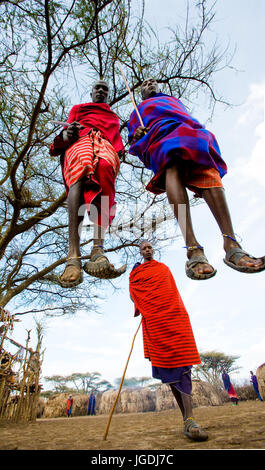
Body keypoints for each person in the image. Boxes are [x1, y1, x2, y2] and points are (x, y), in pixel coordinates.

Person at [127, 78, 265, 280]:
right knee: (170, 165)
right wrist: (137, 133)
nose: (150, 85)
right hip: (158, 134)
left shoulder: (172, 101)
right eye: (145, 84)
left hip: (187, 130)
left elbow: (183, 115)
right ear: (140, 93)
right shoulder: (138, 110)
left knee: (207, 168)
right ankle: (193, 247)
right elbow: (133, 137)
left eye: (153, 82)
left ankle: (231, 243)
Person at [129, 240, 208, 442]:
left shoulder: (163, 268)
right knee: (170, 372)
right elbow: (134, 294)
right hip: (155, 323)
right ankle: (188, 419)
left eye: (149, 247)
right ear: (140, 252)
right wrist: (146, 304)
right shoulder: (136, 273)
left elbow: (171, 293)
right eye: (144, 248)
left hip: (175, 319)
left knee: (184, 367)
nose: (147, 250)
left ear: (153, 250)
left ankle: (189, 418)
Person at [49, 80, 126, 287]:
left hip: (105, 146)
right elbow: (66, 133)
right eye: (97, 88)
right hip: (80, 142)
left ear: (108, 94)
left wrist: (120, 152)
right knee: (82, 165)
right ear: (91, 92)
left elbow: (118, 146)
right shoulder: (78, 109)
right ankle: (72, 255)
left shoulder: (112, 117)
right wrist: (67, 134)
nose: (101, 90)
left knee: (104, 166)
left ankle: (98, 249)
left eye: (105, 88)